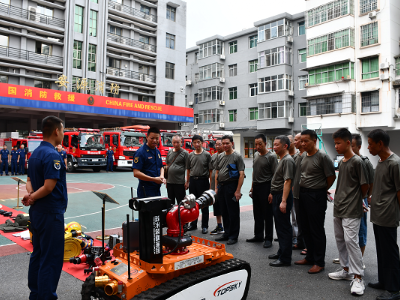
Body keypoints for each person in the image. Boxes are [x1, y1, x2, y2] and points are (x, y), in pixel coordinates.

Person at [22, 115, 67, 300]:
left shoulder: (35, 154)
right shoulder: (52, 155)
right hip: (51, 213)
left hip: (38, 213)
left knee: (38, 254)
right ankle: (46, 296)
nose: (63, 134)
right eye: (63, 130)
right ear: (56, 131)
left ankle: (36, 294)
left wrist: (31, 196)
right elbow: (49, 187)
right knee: (51, 258)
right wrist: (32, 197)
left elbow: (29, 181)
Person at [328, 128, 368, 296]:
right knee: (340, 240)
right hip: (339, 206)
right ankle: (346, 270)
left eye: (338, 143)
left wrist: (359, 200)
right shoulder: (343, 161)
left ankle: (358, 277)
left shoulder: (358, 161)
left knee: (351, 241)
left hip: (352, 208)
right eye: (335, 143)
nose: (336, 146)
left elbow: (364, 186)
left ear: (348, 143)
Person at [294, 129, 336, 274]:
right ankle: (310, 257)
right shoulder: (303, 156)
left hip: (316, 195)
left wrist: (321, 189)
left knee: (316, 229)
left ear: (314, 141)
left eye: (306, 141)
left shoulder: (322, 157)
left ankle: (319, 262)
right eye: (301, 141)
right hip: (303, 194)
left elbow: (331, 177)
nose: (303, 143)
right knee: (305, 227)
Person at [366, 129, 400, 300]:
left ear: (380, 143)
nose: (368, 147)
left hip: (388, 214)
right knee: (381, 249)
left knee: (390, 251)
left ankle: (394, 289)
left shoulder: (395, 163)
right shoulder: (381, 161)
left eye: (370, 143)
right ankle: (384, 281)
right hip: (378, 213)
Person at [268, 136, 296, 267]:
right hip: (277, 195)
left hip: (282, 196)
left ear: (285, 146)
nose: (274, 147)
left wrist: (283, 201)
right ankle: (281, 251)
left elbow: (288, 181)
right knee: (279, 226)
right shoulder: (282, 159)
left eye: (277, 145)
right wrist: (272, 193)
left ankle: (285, 258)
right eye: (274, 144)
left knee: (284, 227)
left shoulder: (288, 160)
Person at [247, 134, 278, 248]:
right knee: (257, 213)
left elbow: (275, 175)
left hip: (267, 187)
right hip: (257, 187)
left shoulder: (271, 156)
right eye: (256, 144)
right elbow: (254, 172)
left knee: (267, 215)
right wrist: (252, 187)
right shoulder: (255, 155)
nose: (258, 146)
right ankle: (258, 235)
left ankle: (268, 238)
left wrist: (272, 192)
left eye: (260, 144)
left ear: (265, 143)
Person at [215, 135, 245, 245]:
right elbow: (217, 172)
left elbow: (241, 174)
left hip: (231, 186)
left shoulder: (237, 156)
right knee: (224, 211)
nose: (225, 145)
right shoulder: (220, 156)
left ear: (232, 143)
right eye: (223, 143)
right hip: (221, 187)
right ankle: (226, 233)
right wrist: (216, 188)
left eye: (227, 143)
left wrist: (238, 190)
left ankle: (233, 235)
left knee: (233, 212)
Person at [185, 135, 212, 234]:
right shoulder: (190, 155)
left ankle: (204, 226)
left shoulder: (207, 155)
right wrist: (187, 182)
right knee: (192, 203)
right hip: (193, 181)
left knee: (205, 204)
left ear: (202, 142)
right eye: (195, 142)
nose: (197, 144)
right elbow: (188, 169)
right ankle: (193, 224)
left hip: (203, 181)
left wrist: (210, 184)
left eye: (198, 142)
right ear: (192, 143)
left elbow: (210, 171)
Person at [132, 127, 165, 198]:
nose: (155, 140)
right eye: (152, 138)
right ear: (147, 137)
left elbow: (161, 166)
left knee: (157, 208)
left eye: (157, 138)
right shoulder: (140, 153)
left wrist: (161, 176)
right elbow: (136, 173)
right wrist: (154, 179)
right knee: (147, 209)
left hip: (156, 189)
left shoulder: (157, 151)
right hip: (145, 190)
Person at [292, 133, 306, 251]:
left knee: (307, 221)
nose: (294, 142)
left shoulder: (307, 155)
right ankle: (300, 242)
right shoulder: (296, 156)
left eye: (296, 140)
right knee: (299, 219)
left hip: (305, 193)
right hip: (296, 192)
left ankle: (307, 245)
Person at [166, 135, 188, 205]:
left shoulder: (185, 153)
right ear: (172, 142)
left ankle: (180, 216)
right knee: (170, 202)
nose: (176, 144)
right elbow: (166, 166)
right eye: (174, 142)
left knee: (181, 203)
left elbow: (188, 168)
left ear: (181, 142)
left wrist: (187, 181)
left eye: (178, 142)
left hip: (179, 183)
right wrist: (166, 180)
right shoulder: (169, 152)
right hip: (170, 183)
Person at [209, 138, 225, 235]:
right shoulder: (214, 156)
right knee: (216, 205)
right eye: (216, 144)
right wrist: (211, 185)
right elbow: (211, 171)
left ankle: (228, 227)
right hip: (214, 186)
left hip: (223, 184)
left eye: (220, 144)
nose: (218, 146)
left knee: (225, 206)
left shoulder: (227, 156)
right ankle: (219, 226)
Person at [288, 135, 298, 247]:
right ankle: (289, 235)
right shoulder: (284, 156)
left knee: (295, 215)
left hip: (294, 191)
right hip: (285, 190)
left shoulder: (298, 156)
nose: (290, 143)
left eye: (291, 141)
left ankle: (296, 237)